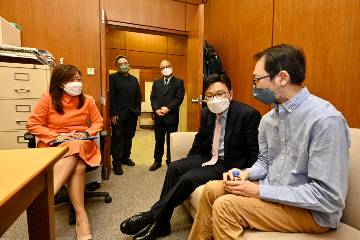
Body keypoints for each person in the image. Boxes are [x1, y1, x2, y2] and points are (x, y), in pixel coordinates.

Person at [188, 44, 351, 240]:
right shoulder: (268, 120)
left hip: (312, 212)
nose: (253, 86)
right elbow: (265, 161)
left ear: (282, 77)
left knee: (226, 207)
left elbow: (327, 197)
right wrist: (246, 174)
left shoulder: (325, 120)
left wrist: (259, 191)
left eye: (256, 79)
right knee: (211, 190)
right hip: (274, 191)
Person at [120, 74, 261, 240]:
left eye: (220, 94)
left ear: (231, 94)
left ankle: (152, 216)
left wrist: (246, 175)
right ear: (205, 98)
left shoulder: (248, 114)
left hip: (228, 164)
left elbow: (255, 153)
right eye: (210, 95)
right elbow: (200, 139)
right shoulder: (207, 112)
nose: (215, 99)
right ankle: (162, 223)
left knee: (188, 178)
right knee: (175, 167)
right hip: (207, 156)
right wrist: (189, 161)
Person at [27, 64, 104, 240]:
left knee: (76, 144)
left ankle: (44, 196)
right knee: (78, 167)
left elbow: (98, 123)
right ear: (61, 84)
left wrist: (85, 133)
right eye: (71, 80)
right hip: (54, 144)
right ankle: (81, 216)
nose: (77, 83)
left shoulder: (88, 100)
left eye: (78, 79)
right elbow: (33, 125)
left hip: (82, 142)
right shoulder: (48, 98)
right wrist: (58, 135)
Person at [149, 60, 185, 171]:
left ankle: (170, 161)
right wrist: (156, 109)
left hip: (171, 117)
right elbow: (153, 97)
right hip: (159, 116)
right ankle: (157, 161)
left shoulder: (179, 82)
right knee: (159, 140)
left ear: (171, 67)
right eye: (162, 67)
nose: (165, 68)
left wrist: (168, 108)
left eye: (167, 66)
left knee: (171, 140)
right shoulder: (156, 82)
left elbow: (179, 98)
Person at [109, 55, 141, 175]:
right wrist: (113, 113)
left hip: (132, 114)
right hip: (118, 115)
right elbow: (111, 97)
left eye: (125, 63)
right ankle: (116, 163)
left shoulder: (134, 79)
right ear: (117, 66)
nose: (124, 65)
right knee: (117, 138)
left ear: (129, 64)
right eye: (121, 64)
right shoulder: (112, 78)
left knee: (129, 136)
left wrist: (138, 110)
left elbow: (138, 96)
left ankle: (126, 158)